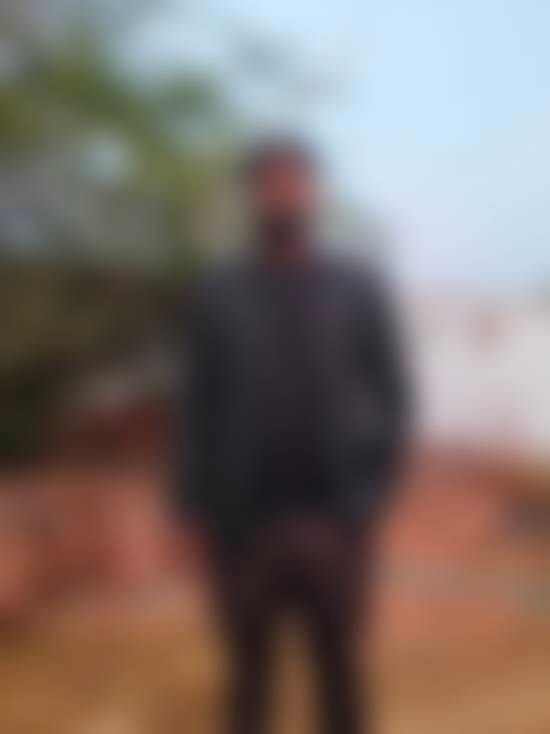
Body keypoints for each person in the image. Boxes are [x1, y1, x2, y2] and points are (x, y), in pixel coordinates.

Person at [172, 138, 410, 734]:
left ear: (313, 192)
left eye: (294, 180)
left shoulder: (357, 288)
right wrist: (189, 509)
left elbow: (394, 396)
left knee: (339, 677)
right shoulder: (218, 293)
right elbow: (196, 406)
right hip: (243, 529)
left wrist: (369, 496)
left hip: (334, 522)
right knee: (249, 680)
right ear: (253, 196)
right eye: (270, 182)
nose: (282, 193)